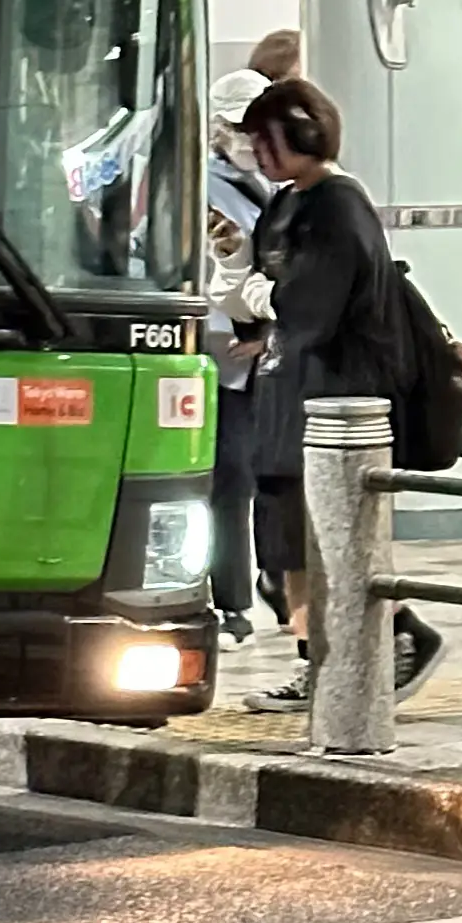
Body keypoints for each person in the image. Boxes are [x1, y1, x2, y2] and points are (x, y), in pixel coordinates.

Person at [236, 77, 441, 706]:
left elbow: (310, 304)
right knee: (285, 538)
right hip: (285, 390)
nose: (256, 154)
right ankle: (316, 661)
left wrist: (262, 296)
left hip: (334, 396)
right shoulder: (284, 203)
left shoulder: (339, 205)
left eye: (265, 140)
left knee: (334, 536)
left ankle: (395, 638)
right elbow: (266, 284)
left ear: (303, 133)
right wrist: (250, 289)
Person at [200, 70, 271, 632]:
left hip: (264, 353)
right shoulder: (201, 185)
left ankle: (263, 590)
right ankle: (232, 599)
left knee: (252, 476)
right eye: (239, 127)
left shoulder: (272, 182)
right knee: (230, 476)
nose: (248, 138)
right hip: (223, 355)